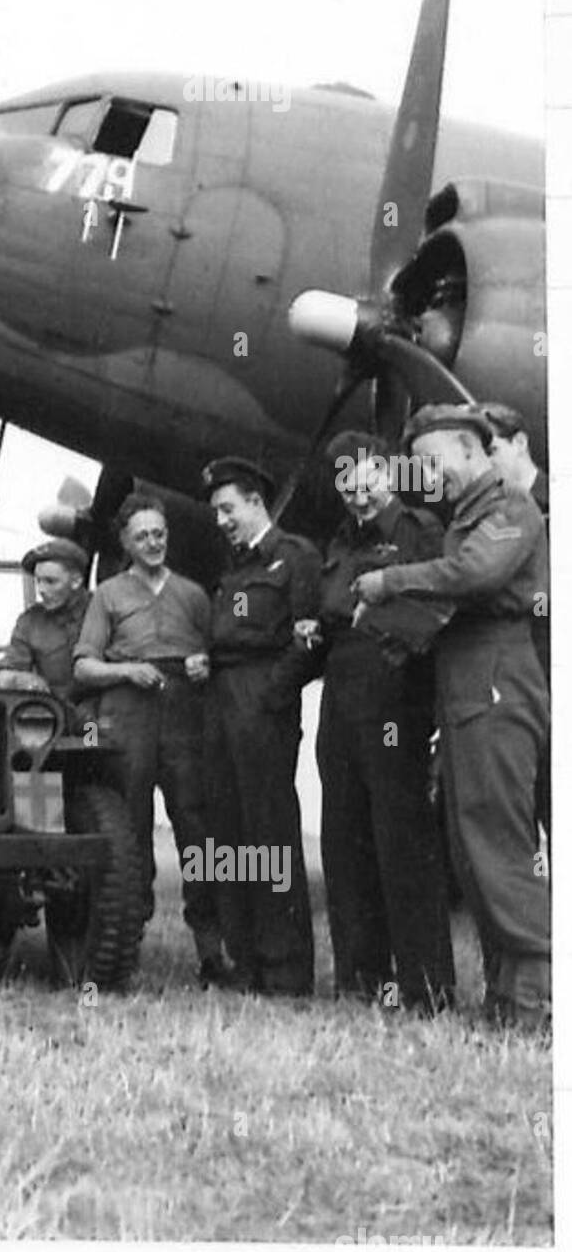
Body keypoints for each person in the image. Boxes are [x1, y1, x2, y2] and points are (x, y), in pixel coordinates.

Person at [352, 404, 550, 1032]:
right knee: (472, 852)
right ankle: (508, 1001)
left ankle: (539, 1002)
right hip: (467, 691)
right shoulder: (467, 518)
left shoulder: (511, 509)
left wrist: (387, 584)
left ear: (471, 451)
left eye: (434, 462)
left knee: (498, 849)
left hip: (494, 687)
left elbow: (474, 575)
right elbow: (454, 601)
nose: (428, 475)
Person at [311, 431, 455, 1013]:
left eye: (366, 479)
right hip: (340, 697)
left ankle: (425, 989)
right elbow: (331, 609)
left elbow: (440, 607)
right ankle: (360, 981)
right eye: (346, 485)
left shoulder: (420, 531)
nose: (358, 493)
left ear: (388, 473)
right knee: (345, 840)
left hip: (395, 696)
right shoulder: (341, 541)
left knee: (402, 841)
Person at [72, 496, 224, 979]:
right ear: (125, 542)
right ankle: (126, 951)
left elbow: (215, 651)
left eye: (158, 533)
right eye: (142, 536)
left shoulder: (194, 595)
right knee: (131, 831)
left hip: (183, 713)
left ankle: (211, 952)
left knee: (198, 831)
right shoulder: (108, 595)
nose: (153, 542)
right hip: (128, 710)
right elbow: (83, 665)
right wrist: (127, 670)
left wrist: (206, 663)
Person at [201, 456, 320, 996]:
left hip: (263, 705)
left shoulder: (293, 557)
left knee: (269, 831)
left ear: (255, 502)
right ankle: (244, 962)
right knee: (229, 833)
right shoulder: (233, 571)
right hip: (222, 703)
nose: (221, 520)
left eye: (228, 508)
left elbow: (310, 640)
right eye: (215, 512)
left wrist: (272, 695)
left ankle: (285, 970)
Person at [480, 403, 549, 841]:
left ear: (521, 443)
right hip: (515, 676)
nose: (486, 464)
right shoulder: (488, 517)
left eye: (492, 449)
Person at [0, 537, 91, 722]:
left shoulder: (102, 609)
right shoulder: (30, 622)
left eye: (50, 581)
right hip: (51, 720)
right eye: (38, 581)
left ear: (76, 581)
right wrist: (23, 680)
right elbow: (3, 675)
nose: (41, 590)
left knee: (90, 746)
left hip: (96, 718)